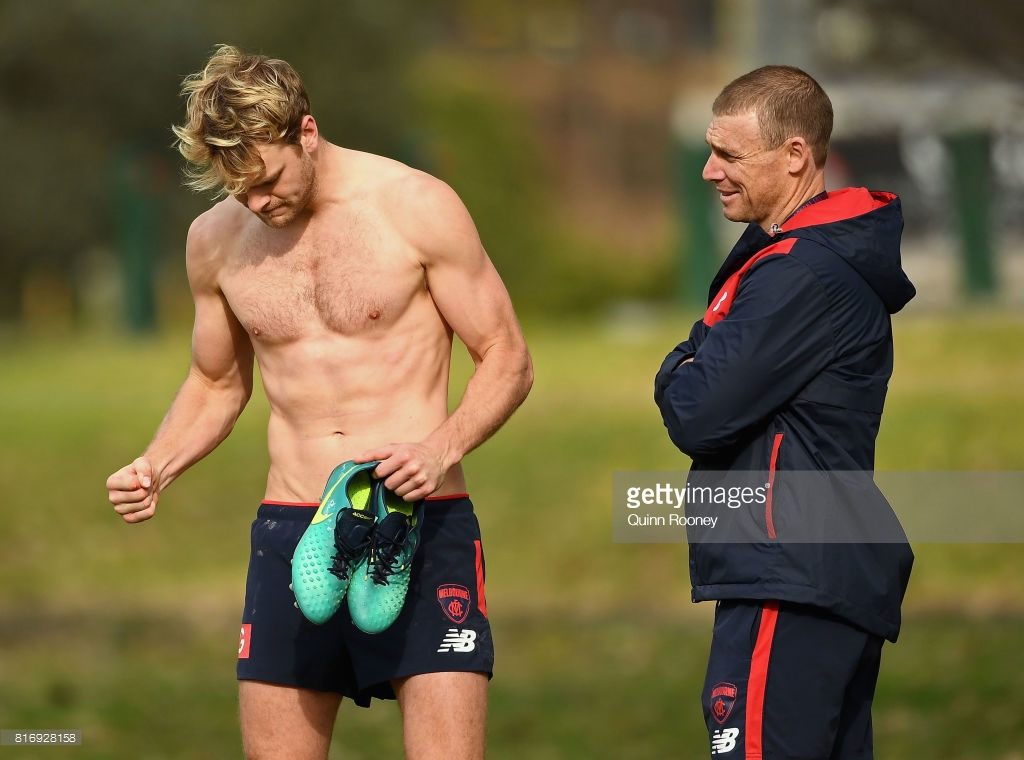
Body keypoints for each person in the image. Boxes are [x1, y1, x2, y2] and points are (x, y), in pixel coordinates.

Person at [106, 44, 533, 760]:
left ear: (306, 132)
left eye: (268, 180)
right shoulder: (214, 242)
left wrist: (440, 448)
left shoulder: (414, 206)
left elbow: (507, 356)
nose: (259, 202)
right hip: (292, 530)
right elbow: (216, 383)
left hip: (420, 528)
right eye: (238, 189)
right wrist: (158, 462)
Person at [653, 65, 915, 759]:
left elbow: (696, 410)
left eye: (730, 155)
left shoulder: (799, 272)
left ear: (796, 155)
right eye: (710, 151)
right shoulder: (798, 260)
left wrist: (681, 359)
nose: (710, 171)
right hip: (811, 575)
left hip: (790, 578)